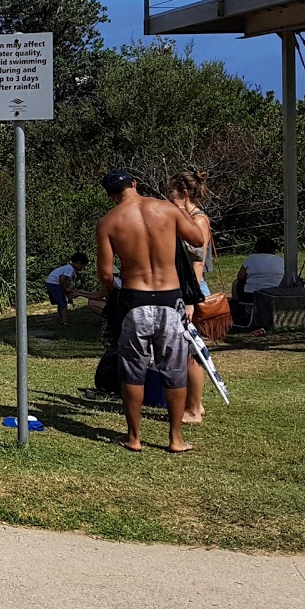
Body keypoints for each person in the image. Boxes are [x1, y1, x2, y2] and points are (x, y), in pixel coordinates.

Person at [95, 168, 206, 454]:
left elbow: (106, 274)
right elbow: (197, 239)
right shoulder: (166, 209)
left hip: (135, 301)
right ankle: (176, 439)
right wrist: (178, 213)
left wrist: (111, 296)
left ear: (110, 195)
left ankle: (134, 437)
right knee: (174, 368)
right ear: (134, 183)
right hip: (171, 299)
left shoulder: (109, 221)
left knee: (133, 370)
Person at [169, 169, 213, 424]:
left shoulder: (199, 220)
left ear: (184, 194)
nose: (168, 200)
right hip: (183, 290)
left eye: (170, 194)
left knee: (192, 352)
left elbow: (197, 263)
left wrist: (189, 300)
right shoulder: (184, 219)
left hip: (192, 292)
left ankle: (194, 408)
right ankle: (194, 404)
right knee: (185, 351)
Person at [233, 236, 286, 301]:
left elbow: (240, 277)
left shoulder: (251, 258)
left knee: (236, 283)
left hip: (252, 295)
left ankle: (237, 306)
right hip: (275, 295)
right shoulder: (281, 260)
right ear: (274, 249)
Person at [45, 253, 88, 325]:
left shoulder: (67, 267)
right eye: (82, 266)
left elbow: (65, 281)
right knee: (63, 303)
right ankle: (65, 321)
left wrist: (66, 291)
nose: (82, 269)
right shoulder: (70, 269)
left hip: (52, 283)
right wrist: (65, 288)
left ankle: (61, 319)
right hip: (54, 284)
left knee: (61, 302)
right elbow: (62, 279)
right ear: (79, 263)